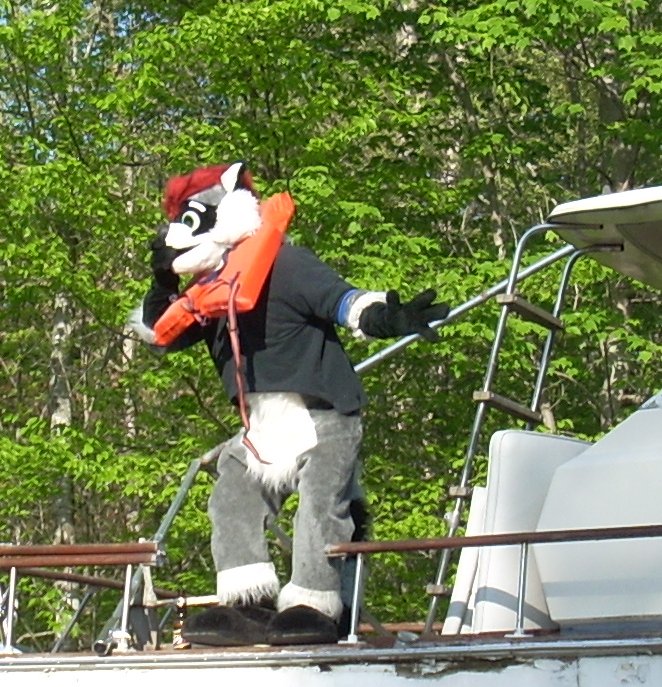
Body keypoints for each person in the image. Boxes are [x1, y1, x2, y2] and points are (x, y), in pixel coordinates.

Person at [127, 163, 444, 646]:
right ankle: (248, 603)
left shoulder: (287, 265)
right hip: (260, 425)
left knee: (320, 507)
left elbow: (344, 302)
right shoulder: (209, 293)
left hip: (323, 415)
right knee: (232, 493)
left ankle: (315, 604)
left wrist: (388, 316)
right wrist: (162, 282)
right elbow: (162, 334)